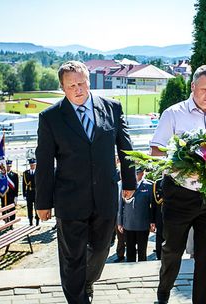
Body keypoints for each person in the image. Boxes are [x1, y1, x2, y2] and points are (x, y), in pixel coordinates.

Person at [35, 60, 136, 304]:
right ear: (62, 87)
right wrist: (42, 202)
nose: (78, 89)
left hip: (105, 195)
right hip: (70, 198)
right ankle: (78, 297)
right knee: (72, 258)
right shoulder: (51, 118)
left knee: (102, 249)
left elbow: (126, 147)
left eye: (82, 83)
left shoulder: (112, 108)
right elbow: (45, 162)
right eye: (72, 86)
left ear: (89, 81)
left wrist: (130, 181)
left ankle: (86, 283)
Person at [150, 65, 206, 304]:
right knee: (172, 251)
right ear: (193, 87)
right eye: (204, 89)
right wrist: (181, 166)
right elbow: (156, 151)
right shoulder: (173, 113)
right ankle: (163, 294)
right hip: (179, 195)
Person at [117, 168, 155, 262]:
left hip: (143, 224)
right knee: (130, 251)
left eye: (137, 173)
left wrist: (152, 221)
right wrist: (119, 222)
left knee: (142, 251)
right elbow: (120, 205)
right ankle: (131, 271)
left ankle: (141, 272)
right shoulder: (125, 185)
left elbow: (153, 206)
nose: (135, 176)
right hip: (128, 224)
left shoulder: (149, 186)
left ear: (142, 173)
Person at [23, 158, 38, 225]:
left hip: (36, 193)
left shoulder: (38, 172)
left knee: (36, 207)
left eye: (33, 165)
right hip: (29, 192)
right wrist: (24, 194)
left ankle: (37, 220)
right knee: (29, 208)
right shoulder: (26, 173)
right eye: (31, 165)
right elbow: (24, 185)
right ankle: (30, 221)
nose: (32, 166)